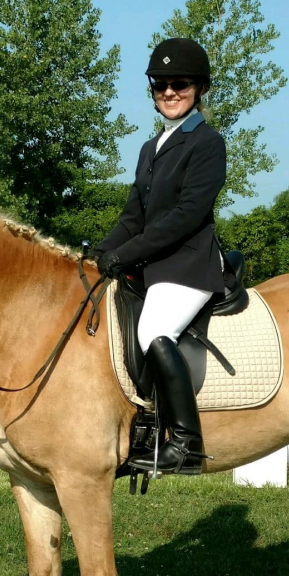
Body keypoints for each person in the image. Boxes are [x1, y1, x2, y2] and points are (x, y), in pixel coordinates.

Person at [95, 37, 226, 474]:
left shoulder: (207, 143)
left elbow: (187, 216)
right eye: (162, 85)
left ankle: (187, 442)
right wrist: (100, 252)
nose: (170, 92)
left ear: (200, 89)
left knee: (153, 327)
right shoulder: (150, 148)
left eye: (181, 84)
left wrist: (127, 254)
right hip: (155, 264)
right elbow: (134, 216)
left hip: (189, 264)